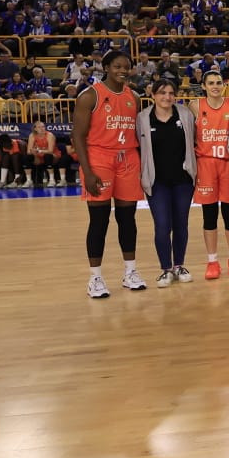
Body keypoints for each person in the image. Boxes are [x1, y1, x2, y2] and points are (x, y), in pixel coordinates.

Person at [71, 49, 147, 297]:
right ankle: (95, 278)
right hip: (99, 159)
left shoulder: (133, 97)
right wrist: (87, 171)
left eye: (127, 66)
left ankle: (130, 272)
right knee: (99, 220)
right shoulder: (89, 96)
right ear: (106, 67)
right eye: (117, 66)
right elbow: (77, 137)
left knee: (128, 219)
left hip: (128, 159)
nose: (123, 70)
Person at [137, 78, 197, 287]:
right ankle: (166, 269)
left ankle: (179, 265)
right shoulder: (143, 118)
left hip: (183, 181)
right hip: (157, 182)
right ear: (153, 94)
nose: (167, 97)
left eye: (171, 93)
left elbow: (194, 142)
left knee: (181, 224)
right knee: (162, 226)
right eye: (162, 92)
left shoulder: (186, 115)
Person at [194, 70, 229, 280]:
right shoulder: (196, 106)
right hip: (205, 165)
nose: (215, 86)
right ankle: (212, 261)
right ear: (204, 86)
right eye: (211, 83)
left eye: (218, 83)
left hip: (228, 165)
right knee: (209, 215)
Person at [24, 120, 60, 187]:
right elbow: (29, 151)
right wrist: (34, 152)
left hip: (53, 155)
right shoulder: (32, 135)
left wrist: (39, 151)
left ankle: (52, 180)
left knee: (48, 156)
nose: (42, 129)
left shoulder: (49, 135)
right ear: (35, 129)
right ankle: (29, 180)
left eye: (43, 127)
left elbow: (50, 151)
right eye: (39, 127)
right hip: (38, 157)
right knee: (27, 157)